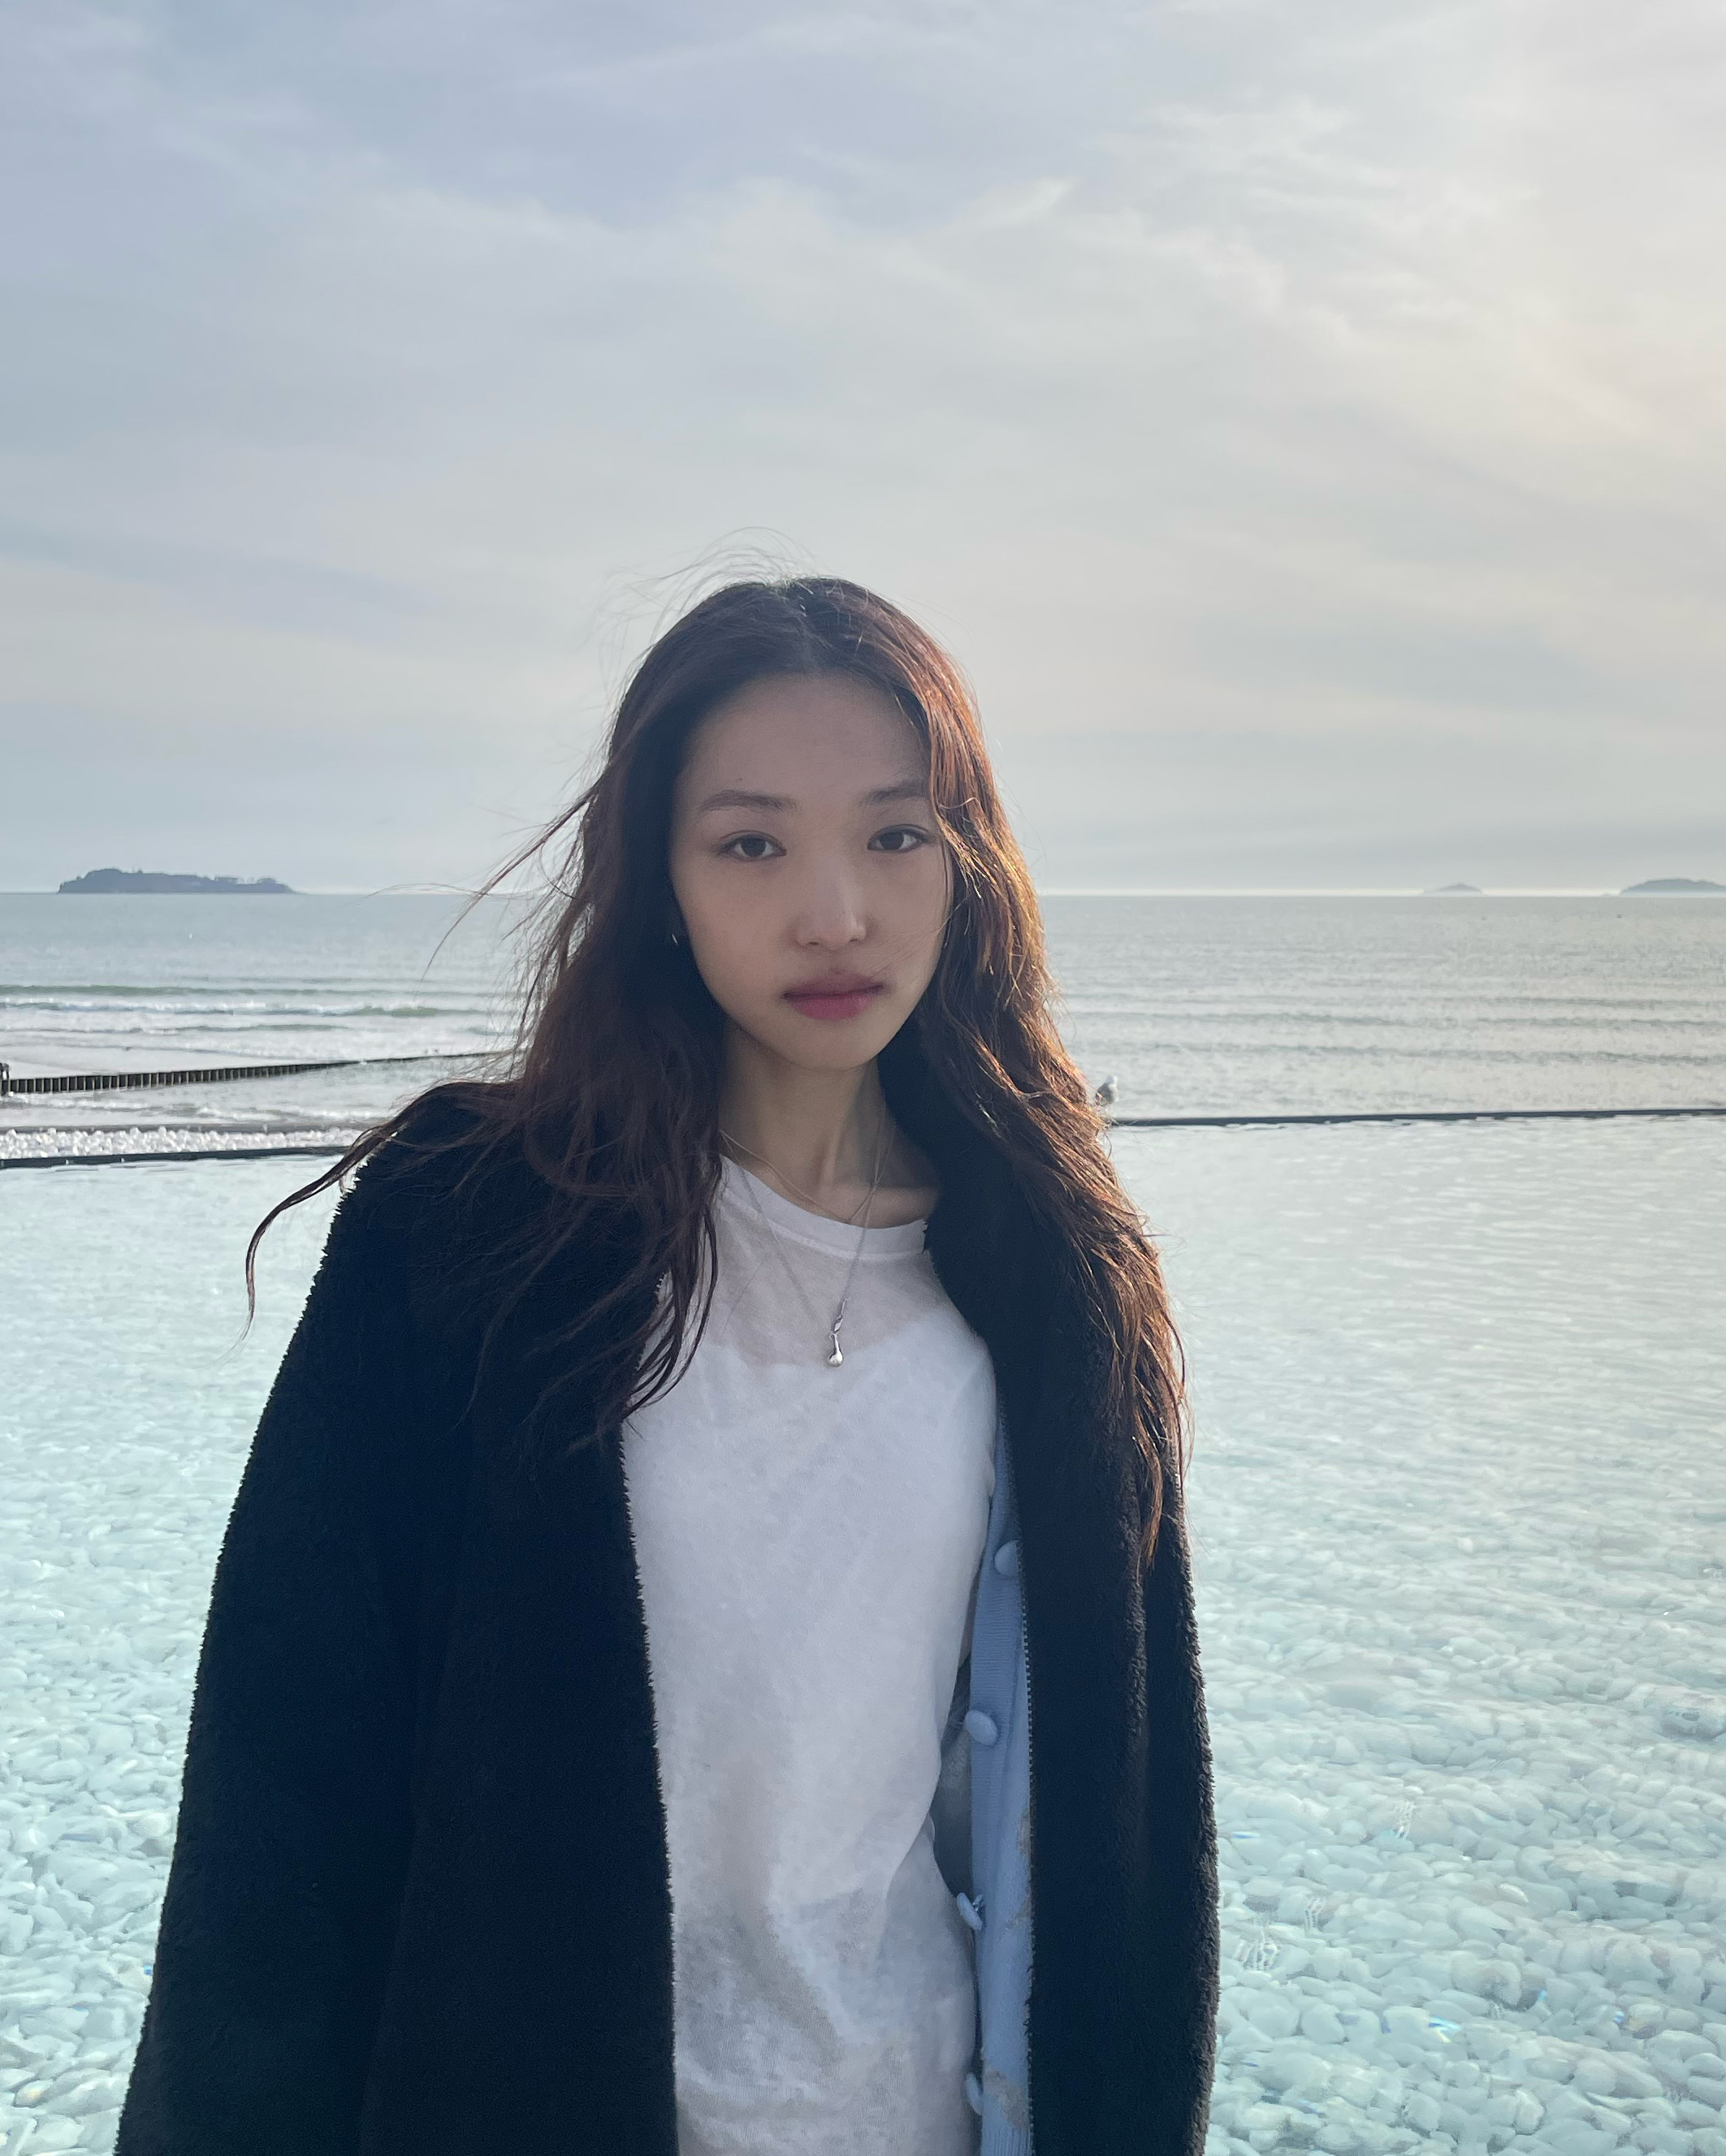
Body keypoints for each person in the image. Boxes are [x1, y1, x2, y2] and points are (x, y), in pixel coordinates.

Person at [116, 577, 1219, 2155]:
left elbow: (1131, 1822)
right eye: (752, 843)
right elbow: (281, 1788)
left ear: (967, 866)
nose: (833, 911)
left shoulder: (1055, 1273)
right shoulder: (471, 1231)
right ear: (660, 883)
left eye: (895, 834)